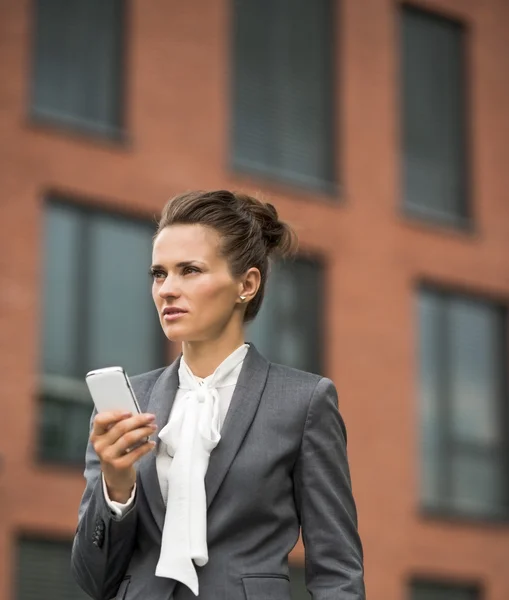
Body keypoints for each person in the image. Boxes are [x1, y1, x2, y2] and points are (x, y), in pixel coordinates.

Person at [71, 189, 365, 600]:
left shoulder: (304, 401)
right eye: (159, 273)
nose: (167, 290)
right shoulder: (127, 406)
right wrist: (116, 487)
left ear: (246, 284)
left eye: (189, 270)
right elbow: (92, 580)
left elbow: (337, 572)